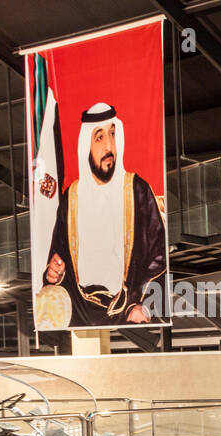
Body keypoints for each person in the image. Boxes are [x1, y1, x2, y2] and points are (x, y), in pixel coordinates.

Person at [38, 103, 166, 326]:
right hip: (81, 312)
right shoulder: (72, 199)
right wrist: (54, 274)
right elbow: (58, 264)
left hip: (129, 312)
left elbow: (160, 259)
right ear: (85, 145)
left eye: (113, 134)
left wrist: (146, 305)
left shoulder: (137, 191)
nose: (109, 146)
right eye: (99, 138)